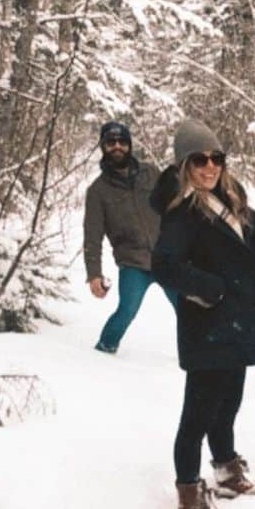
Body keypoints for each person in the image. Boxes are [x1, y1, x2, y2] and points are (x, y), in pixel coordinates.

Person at [151, 118, 255, 509]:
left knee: (229, 402)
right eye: (199, 160)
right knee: (198, 413)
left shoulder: (232, 201)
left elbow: (248, 249)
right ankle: (188, 498)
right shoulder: (182, 212)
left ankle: (225, 470)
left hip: (238, 322)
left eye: (216, 158)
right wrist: (208, 289)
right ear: (184, 164)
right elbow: (163, 265)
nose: (209, 167)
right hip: (208, 325)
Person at [83, 120, 174, 355]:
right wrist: (94, 274)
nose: (117, 146)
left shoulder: (151, 173)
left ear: (130, 145)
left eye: (122, 141)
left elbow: (177, 207)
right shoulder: (98, 191)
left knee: (188, 308)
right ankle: (103, 351)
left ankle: (201, 352)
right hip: (133, 263)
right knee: (127, 310)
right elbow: (92, 236)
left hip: (167, 258)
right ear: (103, 146)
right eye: (111, 142)